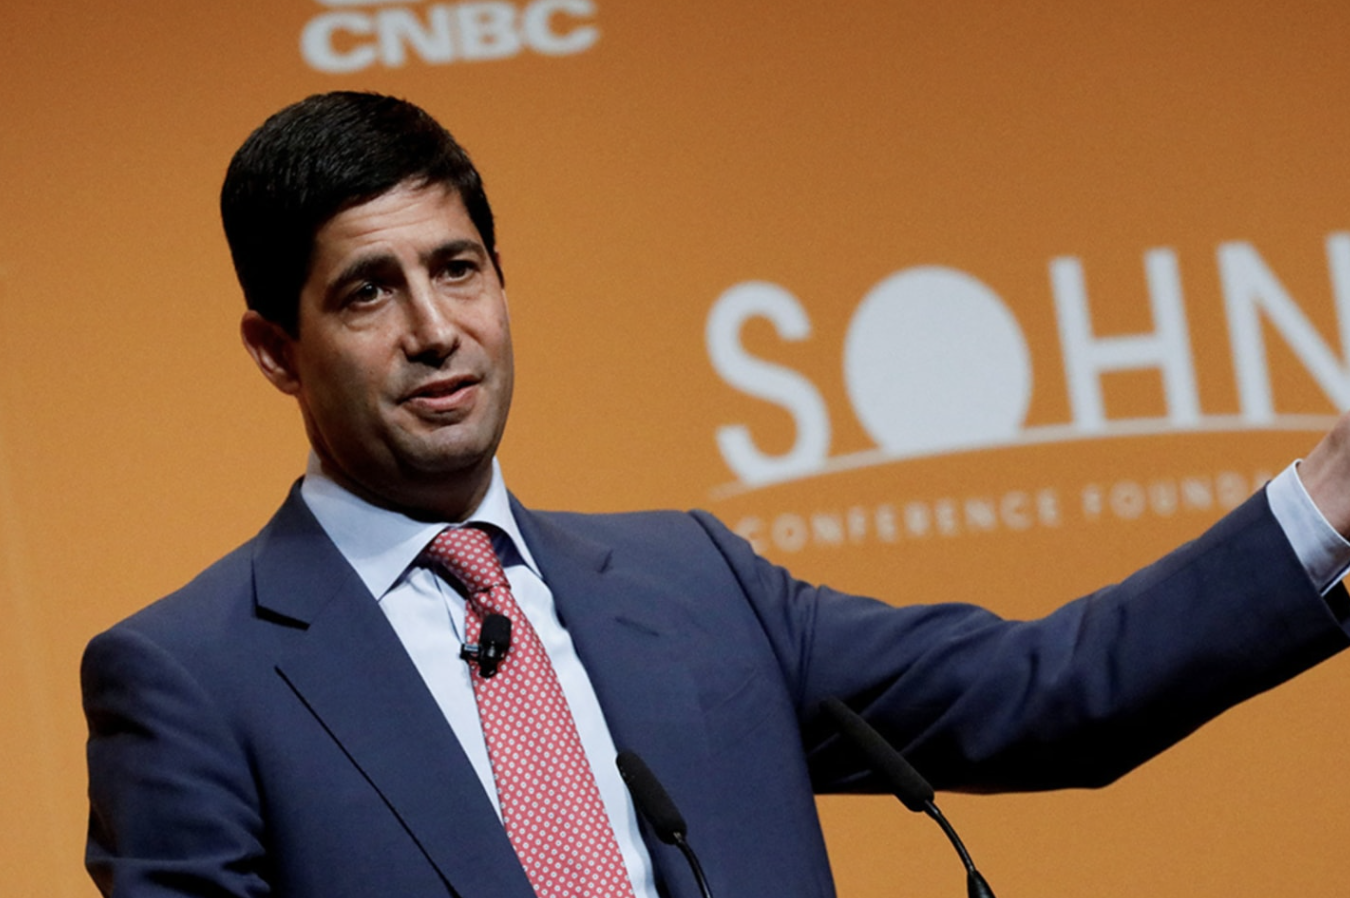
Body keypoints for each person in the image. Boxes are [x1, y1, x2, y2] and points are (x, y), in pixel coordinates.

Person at [81, 90, 1350, 898]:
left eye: (459, 269)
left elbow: (1050, 694)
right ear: (275, 348)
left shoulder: (697, 584)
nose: (435, 329)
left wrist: (1331, 498)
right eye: (368, 291)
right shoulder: (194, 676)